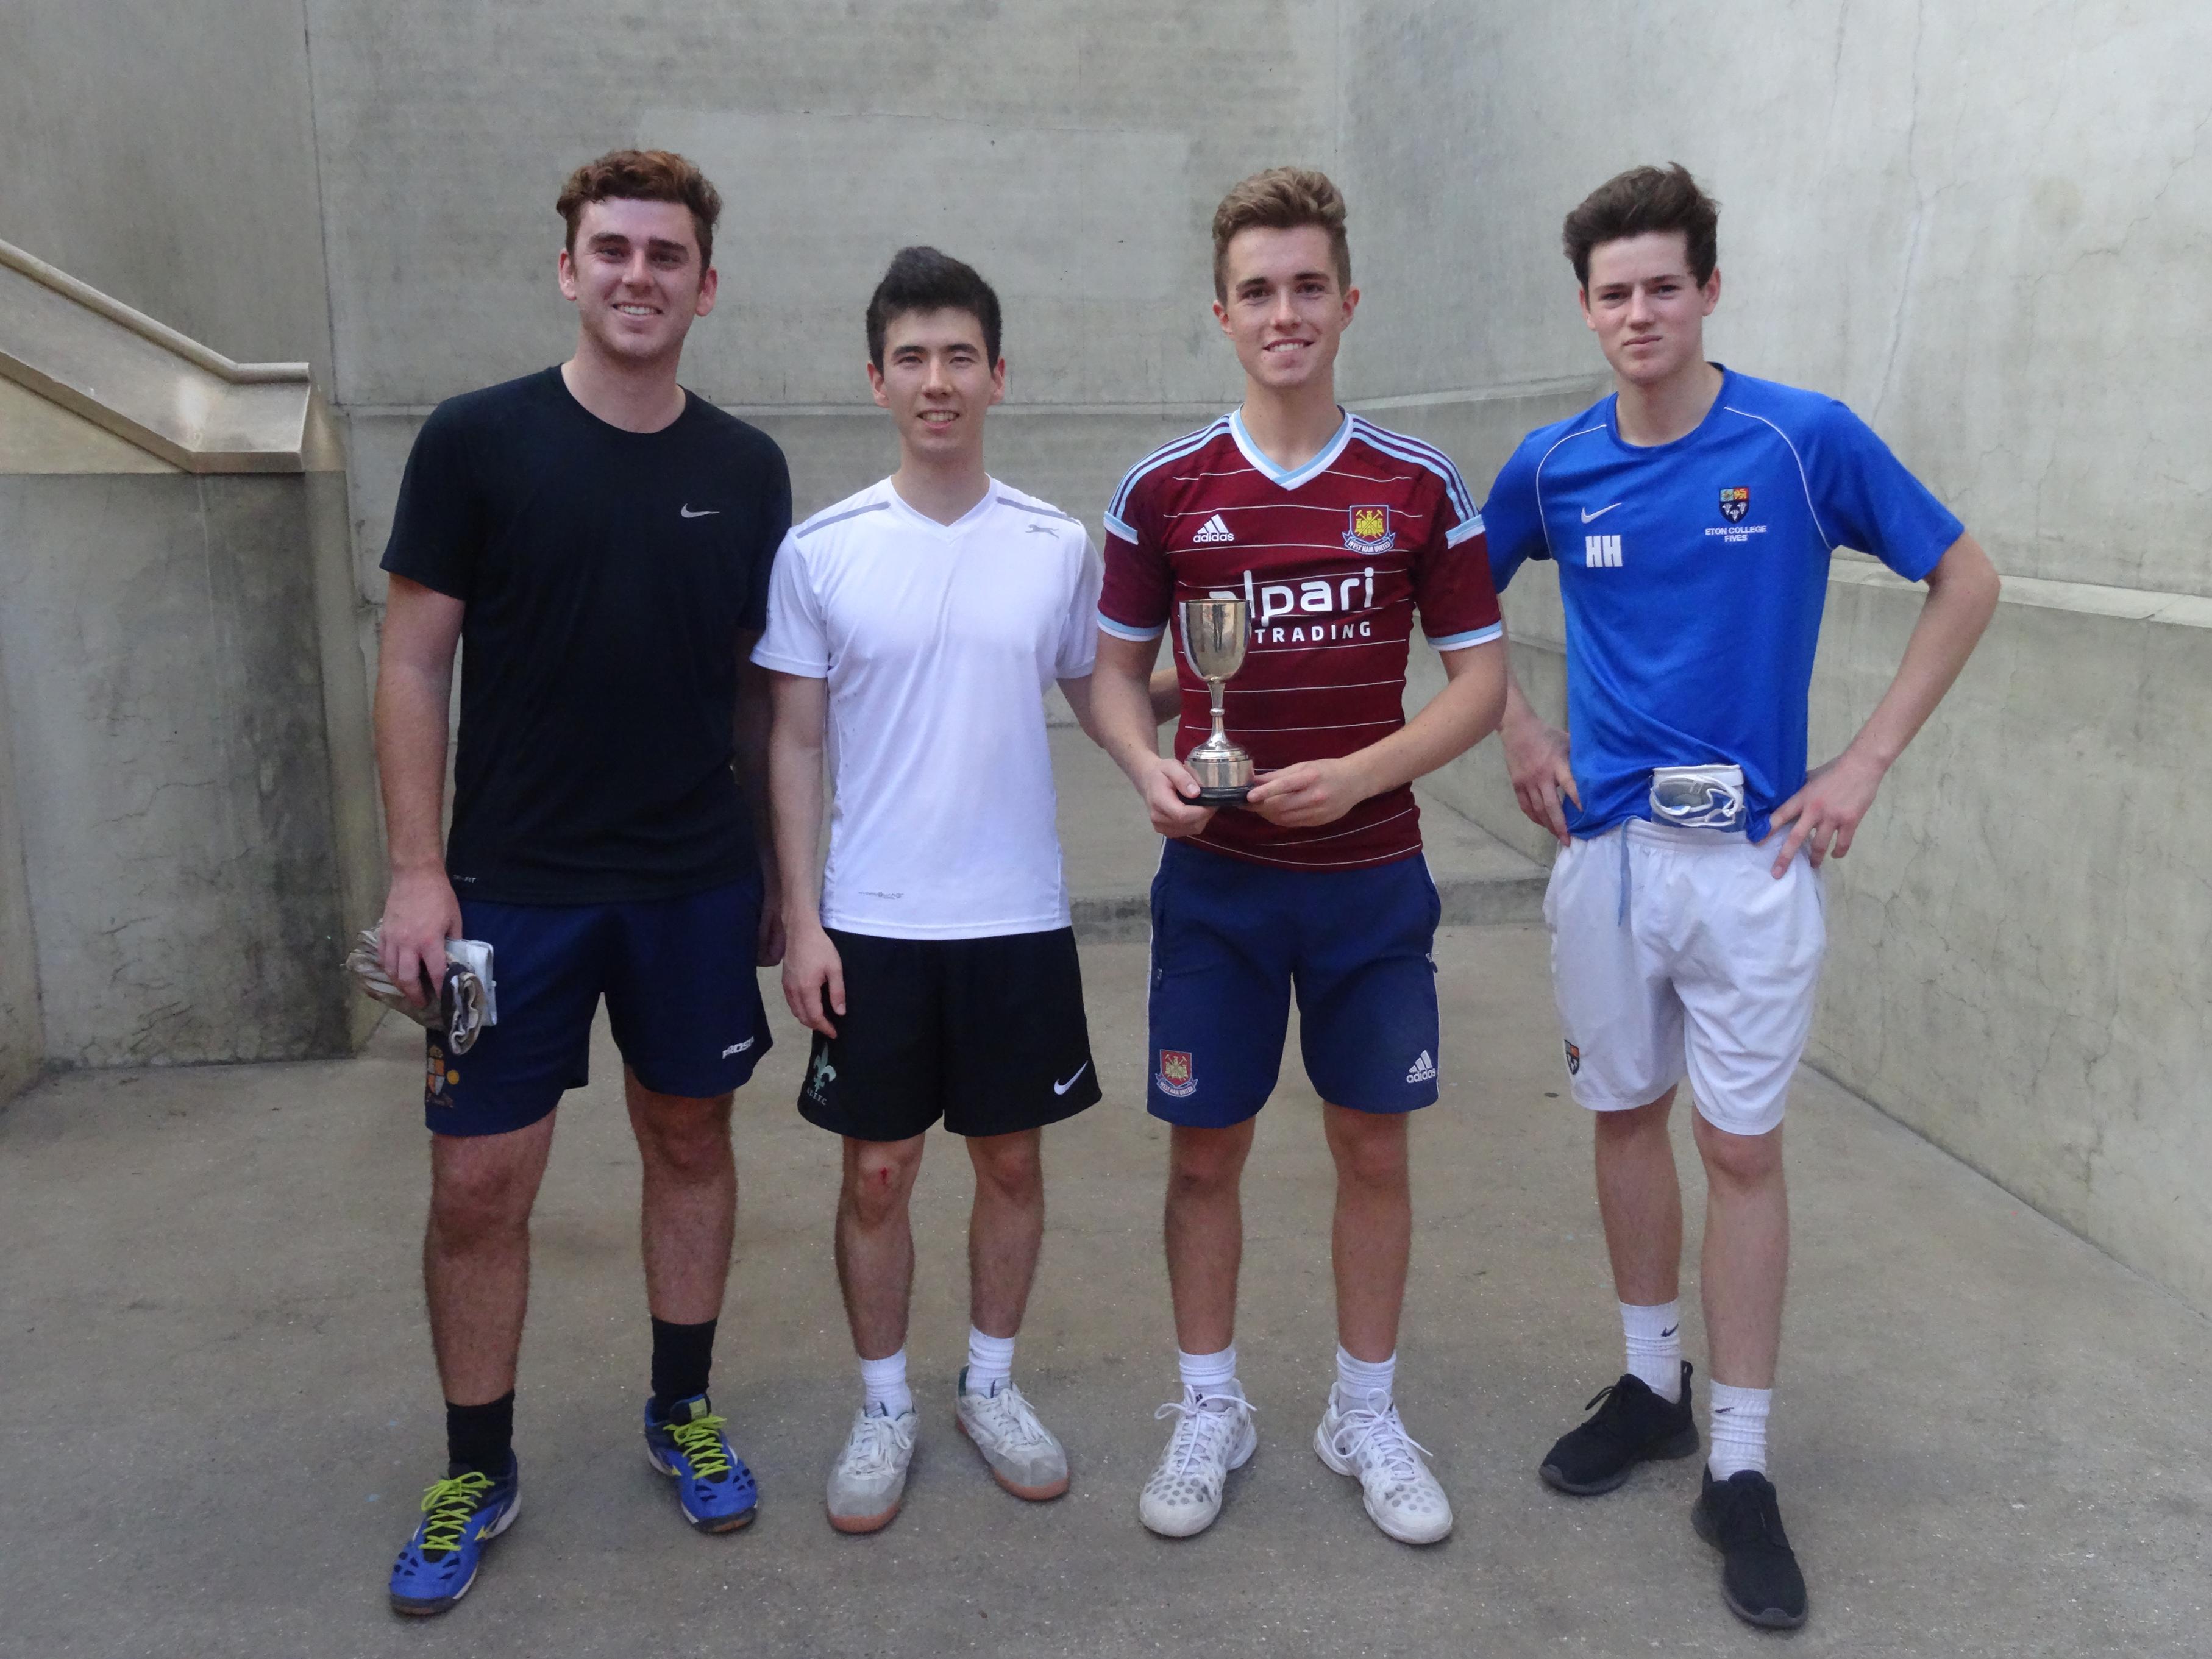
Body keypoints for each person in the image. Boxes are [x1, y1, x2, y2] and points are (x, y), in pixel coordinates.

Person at [1481, 163, 2000, 1630]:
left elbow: (1967, 576)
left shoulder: (1797, 439)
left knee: (1743, 1149)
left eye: (1663, 284)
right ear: (1586, 307)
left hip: (1755, 864)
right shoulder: (1553, 461)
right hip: (1605, 862)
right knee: (1626, 1116)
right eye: (1612, 291)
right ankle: (1654, 1386)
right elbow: (1445, 591)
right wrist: (1517, 727)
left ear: (1709, 289)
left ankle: (1746, 1464)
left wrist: (1864, 762)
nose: (1638, 312)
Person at [374, 149, 791, 1615]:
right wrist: (420, 873)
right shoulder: (476, 441)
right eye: (610, 249)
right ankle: (476, 1464)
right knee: (482, 1183)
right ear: (569, 268)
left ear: (704, 285)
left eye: (664, 254)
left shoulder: (745, 469)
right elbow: (415, 660)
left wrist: (775, 876)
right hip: (508, 896)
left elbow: (758, 695)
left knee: (690, 1141)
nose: (635, 274)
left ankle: (681, 1403)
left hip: (687, 886)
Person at [1088, 168, 1508, 1546]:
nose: (1285, 313)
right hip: (1217, 885)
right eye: (1258, 291)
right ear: (1222, 311)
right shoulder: (1164, 488)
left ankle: (1363, 1408)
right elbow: (1108, 673)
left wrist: (1364, 773)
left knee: (1369, 1144)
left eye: (1308, 286)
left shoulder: (1417, 484)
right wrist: (1151, 766)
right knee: (1204, 1153)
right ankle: (1210, 1401)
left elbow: (1480, 684)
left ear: (1348, 301)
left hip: (1371, 879)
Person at [758, 247, 1111, 1535]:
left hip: (1017, 917)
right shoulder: (823, 550)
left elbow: (1102, 692)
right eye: (912, 356)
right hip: (877, 924)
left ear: (999, 375)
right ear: (877, 379)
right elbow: (795, 743)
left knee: (1009, 1161)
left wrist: (1249, 681)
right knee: (878, 1177)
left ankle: (992, 1385)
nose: (938, 379)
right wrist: (803, 918)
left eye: (961, 354)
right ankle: (885, 1403)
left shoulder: (1055, 544)